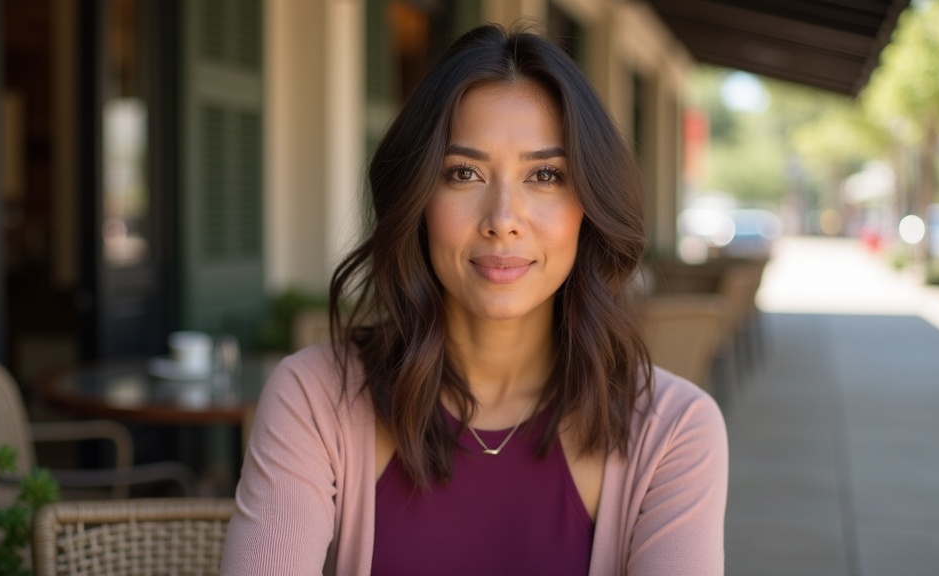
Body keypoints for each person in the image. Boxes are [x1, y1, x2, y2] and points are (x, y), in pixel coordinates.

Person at [221, 23, 727, 575]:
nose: (503, 220)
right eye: (463, 173)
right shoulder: (314, 400)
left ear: (590, 204)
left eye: (545, 175)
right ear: (417, 197)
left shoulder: (674, 430)